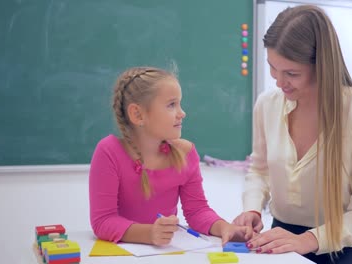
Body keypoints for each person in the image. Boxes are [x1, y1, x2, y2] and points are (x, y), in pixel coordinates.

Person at [232, 5, 352, 264]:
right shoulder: (267, 104)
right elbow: (259, 170)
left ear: (322, 67)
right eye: (273, 68)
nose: (279, 82)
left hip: (351, 246)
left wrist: (308, 240)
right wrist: (251, 208)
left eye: (291, 74)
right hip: (283, 237)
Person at [89, 66, 252, 246]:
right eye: (171, 105)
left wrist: (224, 228)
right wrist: (149, 234)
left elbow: (197, 211)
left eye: (179, 104)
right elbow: (103, 221)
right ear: (137, 114)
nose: (182, 113)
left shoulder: (186, 153)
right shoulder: (109, 152)